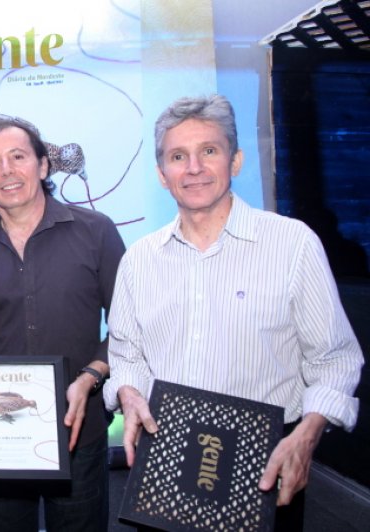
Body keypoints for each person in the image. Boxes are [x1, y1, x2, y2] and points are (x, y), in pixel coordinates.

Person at [102, 94, 363, 530]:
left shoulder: (292, 244)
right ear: (162, 174)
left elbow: (334, 360)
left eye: (209, 150)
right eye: (178, 156)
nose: (194, 168)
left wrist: (308, 434)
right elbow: (127, 354)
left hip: (263, 461)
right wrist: (128, 392)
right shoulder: (139, 260)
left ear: (235, 161)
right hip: (167, 456)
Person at [0, 118, 126, 531]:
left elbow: (128, 328)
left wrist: (92, 375)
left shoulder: (96, 232)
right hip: (0, 435)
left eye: (18, 157)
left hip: (78, 430)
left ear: (43, 165)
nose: (7, 171)